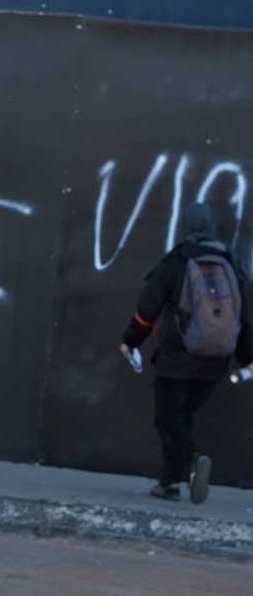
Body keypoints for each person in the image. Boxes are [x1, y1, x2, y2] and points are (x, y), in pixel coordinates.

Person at [120, 202, 253, 504]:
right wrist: (247, 359)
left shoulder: (175, 263)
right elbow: (246, 319)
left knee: (169, 419)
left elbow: (146, 311)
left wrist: (131, 341)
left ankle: (190, 464)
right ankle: (169, 482)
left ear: (185, 227)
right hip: (216, 362)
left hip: (177, 359)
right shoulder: (233, 265)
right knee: (182, 418)